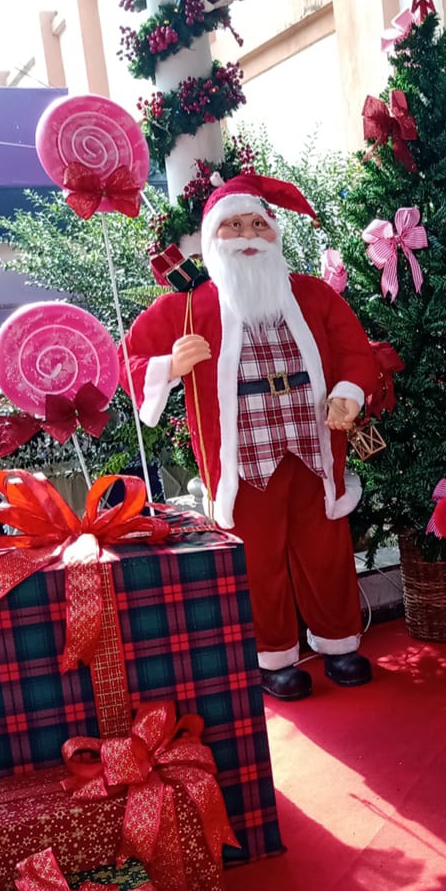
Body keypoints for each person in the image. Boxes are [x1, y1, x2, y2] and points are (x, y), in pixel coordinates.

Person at [123, 173, 377, 702]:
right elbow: (126, 360)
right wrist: (169, 365)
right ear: (212, 237)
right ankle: (273, 656)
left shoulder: (311, 294)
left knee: (325, 549)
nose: (247, 236)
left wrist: (349, 391)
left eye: (258, 224)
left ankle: (339, 642)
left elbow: (355, 350)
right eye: (233, 225)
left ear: (274, 234)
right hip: (244, 462)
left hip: (312, 448)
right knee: (257, 561)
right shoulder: (186, 308)